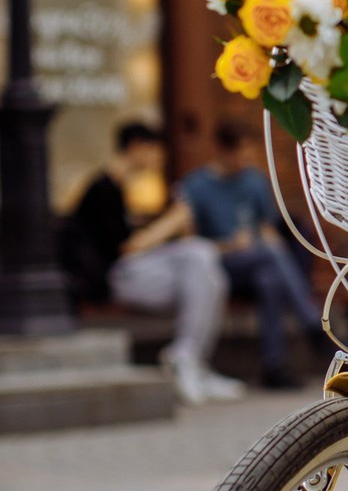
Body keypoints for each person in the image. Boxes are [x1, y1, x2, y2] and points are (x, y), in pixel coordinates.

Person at [65, 121, 241, 405]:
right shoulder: (102, 189)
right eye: (155, 150)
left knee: (205, 266)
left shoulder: (119, 188)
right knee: (200, 257)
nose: (159, 158)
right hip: (116, 279)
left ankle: (191, 360)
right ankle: (187, 359)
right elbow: (125, 247)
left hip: (134, 275)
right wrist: (171, 223)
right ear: (136, 147)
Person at [180, 118, 327, 390]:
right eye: (242, 154)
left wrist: (266, 247)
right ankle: (311, 321)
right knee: (270, 257)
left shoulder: (254, 181)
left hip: (257, 261)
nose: (247, 161)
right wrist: (230, 246)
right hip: (217, 264)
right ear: (224, 151)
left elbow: (267, 229)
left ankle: (274, 366)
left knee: (269, 278)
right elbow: (190, 246)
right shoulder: (196, 186)